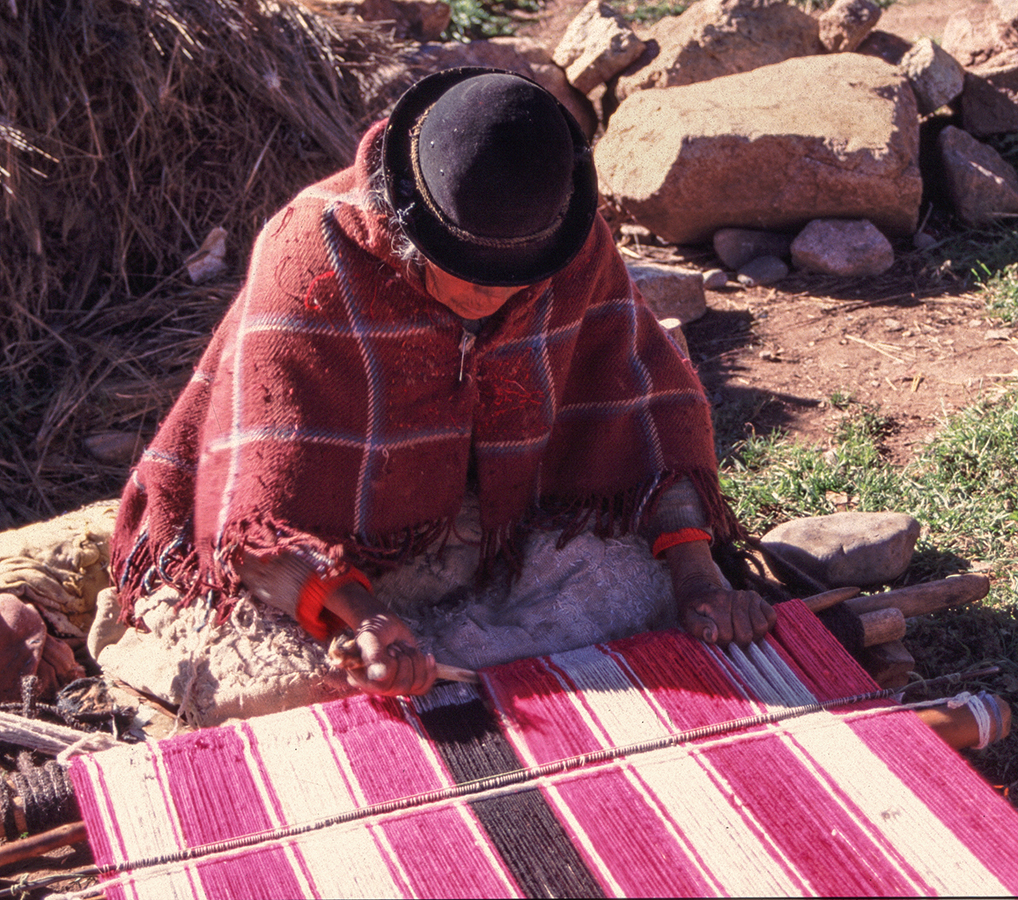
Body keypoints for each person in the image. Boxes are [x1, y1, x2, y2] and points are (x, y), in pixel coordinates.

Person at [108, 67, 775, 704]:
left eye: (515, 277)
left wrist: (697, 577)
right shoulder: (310, 254)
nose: (494, 298)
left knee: (639, 594)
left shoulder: (565, 242)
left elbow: (642, 416)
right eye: (471, 273)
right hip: (339, 547)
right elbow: (258, 516)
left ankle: (446, 672)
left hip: (493, 530)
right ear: (409, 224)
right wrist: (364, 617)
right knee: (271, 687)